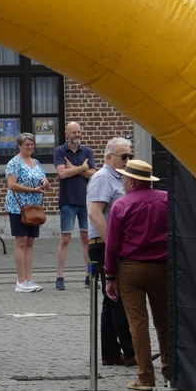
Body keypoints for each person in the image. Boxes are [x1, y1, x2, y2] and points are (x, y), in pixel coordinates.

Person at [104, 159, 168, 391]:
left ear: (131, 181)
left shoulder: (121, 205)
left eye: (124, 178)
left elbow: (112, 244)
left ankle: (145, 377)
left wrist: (110, 275)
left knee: (137, 324)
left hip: (130, 268)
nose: (122, 182)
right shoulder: (166, 199)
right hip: (162, 266)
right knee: (165, 322)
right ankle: (171, 373)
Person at [87, 138, 136, 367]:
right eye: (124, 156)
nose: (128, 160)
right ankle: (130, 352)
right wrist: (112, 244)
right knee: (118, 298)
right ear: (109, 157)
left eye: (130, 156)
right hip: (103, 244)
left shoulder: (118, 178)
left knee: (110, 301)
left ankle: (110, 353)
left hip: (109, 243)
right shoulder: (103, 178)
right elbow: (95, 213)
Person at [53, 122, 96, 290]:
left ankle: (89, 276)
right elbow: (62, 174)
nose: (77, 135)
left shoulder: (87, 151)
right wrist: (83, 168)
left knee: (87, 239)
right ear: (66, 134)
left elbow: (93, 174)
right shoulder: (59, 151)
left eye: (78, 132)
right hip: (68, 201)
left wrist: (75, 168)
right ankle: (60, 277)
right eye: (74, 132)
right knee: (65, 239)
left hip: (86, 201)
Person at [5, 132, 49, 293]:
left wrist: (46, 182)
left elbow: (44, 181)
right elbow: (11, 185)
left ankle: (29, 278)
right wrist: (32, 190)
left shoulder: (36, 162)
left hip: (34, 208)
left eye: (32, 144)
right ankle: (21, 280)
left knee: (30, 242)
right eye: (27, 145)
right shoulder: (14, 163)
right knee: (21, 241)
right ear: (19, 146)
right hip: (19, 207)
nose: (30, 147)